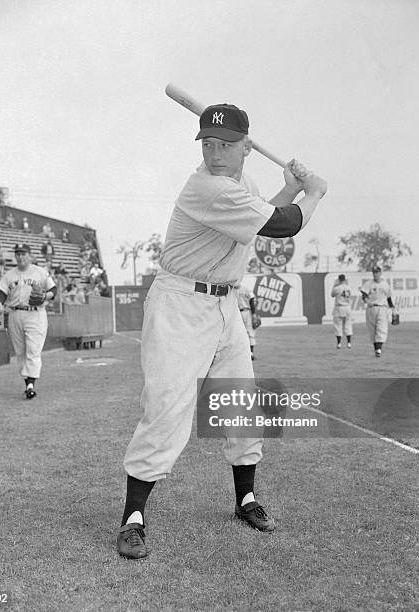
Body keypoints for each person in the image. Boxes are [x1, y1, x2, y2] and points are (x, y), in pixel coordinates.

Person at [115, 102, 327, 559]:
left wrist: (289, 188)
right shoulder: (206, 187)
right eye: (208, 144)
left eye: (226, 145)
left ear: (246, 147)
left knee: (239, 400)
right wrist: (315, 193)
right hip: (180, 303)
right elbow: (280, 225)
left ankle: (245, 499)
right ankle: (133, 517)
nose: (215, 153)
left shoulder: (240, 184)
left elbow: (261, 213)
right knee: (167, 408)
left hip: (223, 303)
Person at [0, 244, 56, 399]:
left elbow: (53, 290)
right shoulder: (9, 274)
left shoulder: (40, 272)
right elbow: (1, 291)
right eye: (18, 254)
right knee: (20, 352)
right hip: (15, 314)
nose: (20, 256)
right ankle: (28, 383)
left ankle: (30, 385)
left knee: (33, 350)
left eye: (23, 253)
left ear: (30, 255)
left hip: (35, 314)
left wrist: (44, 297)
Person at [360, 265, 396, 357]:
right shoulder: (368, 284)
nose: (375, 274)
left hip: (383, 308)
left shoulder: (385, 285)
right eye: (374, 272)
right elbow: (363, 296)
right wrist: (368, 302)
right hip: (371, 308)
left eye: (377, 272)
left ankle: (379, 349)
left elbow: (389, 299)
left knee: (382, 328)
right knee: (372, 329)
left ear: (380, 273)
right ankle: (377, 349)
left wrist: (393, 309)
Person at [236, 283, 258, 360]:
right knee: (249, 333)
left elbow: (252, 300)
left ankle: (247, 354)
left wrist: (254, 313)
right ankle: (248, 353)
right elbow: (252, 299)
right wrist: (254, 313)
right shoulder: (246, 288)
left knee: (242, 334)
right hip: (245, 312)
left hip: (239, 313)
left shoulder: (232, 290)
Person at [331, 273, 353, 349]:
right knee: (348, 325)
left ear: (339, 280)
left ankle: (339, 343)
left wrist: (335, 285)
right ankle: (349, 343)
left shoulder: (337, 288)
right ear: (345, 279)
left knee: (338, 325)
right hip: (347, 307)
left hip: (339, 307)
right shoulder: (349, 287)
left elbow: (332, 295)